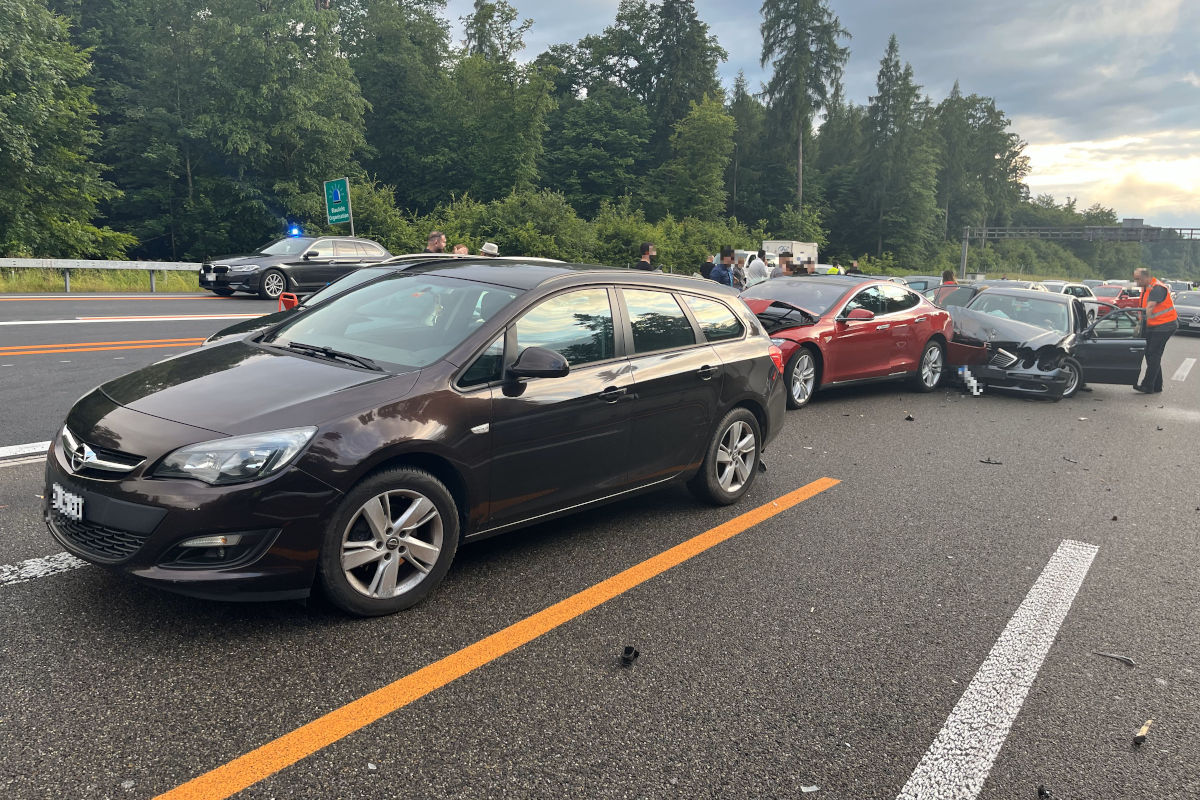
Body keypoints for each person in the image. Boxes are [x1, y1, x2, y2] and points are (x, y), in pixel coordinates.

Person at [1133, 267, 1178, 393]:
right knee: (1152, 355)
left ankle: (1148, 386)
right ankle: (1156, 385)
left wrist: (1140, 324)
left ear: (1146, 277)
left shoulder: (1157, 288)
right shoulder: (1147, 287)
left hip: (1164, 325)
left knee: (1153, 353)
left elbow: (1150, 307)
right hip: (1155, 326)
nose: (1136, 282)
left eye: (1138, 279)